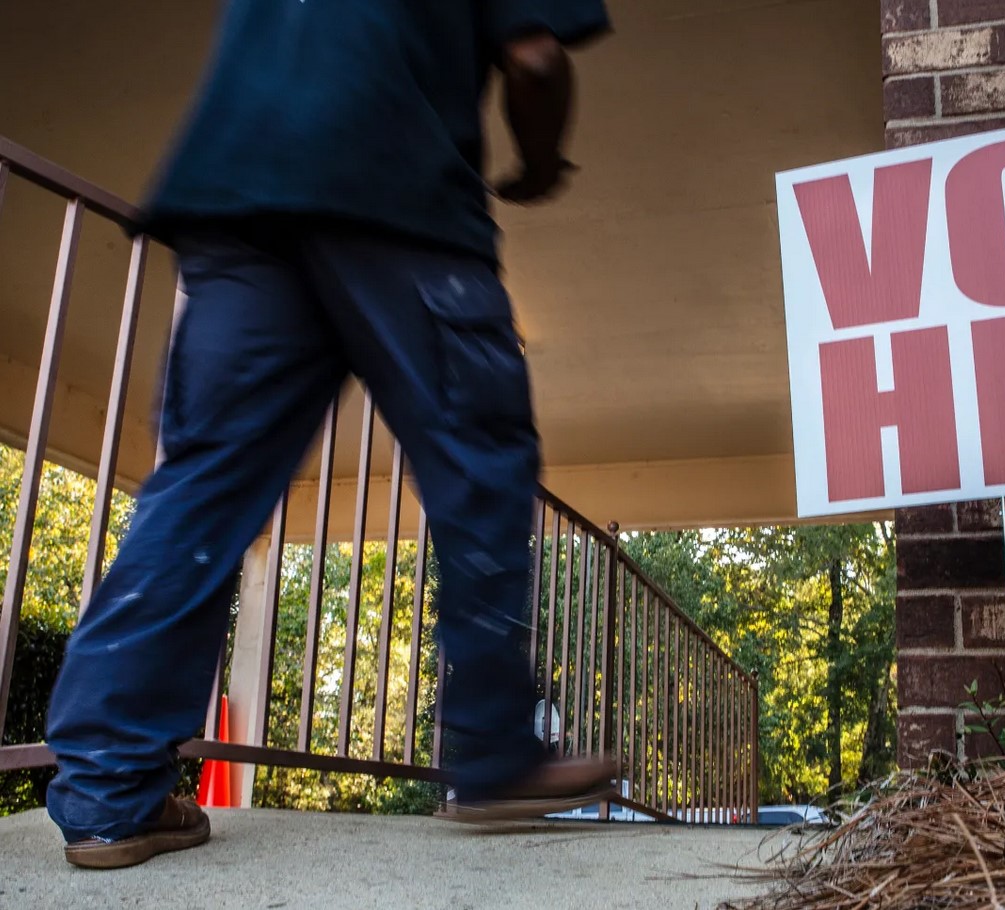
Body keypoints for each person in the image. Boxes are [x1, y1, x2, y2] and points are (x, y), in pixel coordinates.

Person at [44, 0, 614, 870]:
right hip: (400, 193)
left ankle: (107, 793)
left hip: (236, 196)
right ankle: (495, 752)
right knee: (479, 464)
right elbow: (535, 58)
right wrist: (540, 164)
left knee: (202, 487)